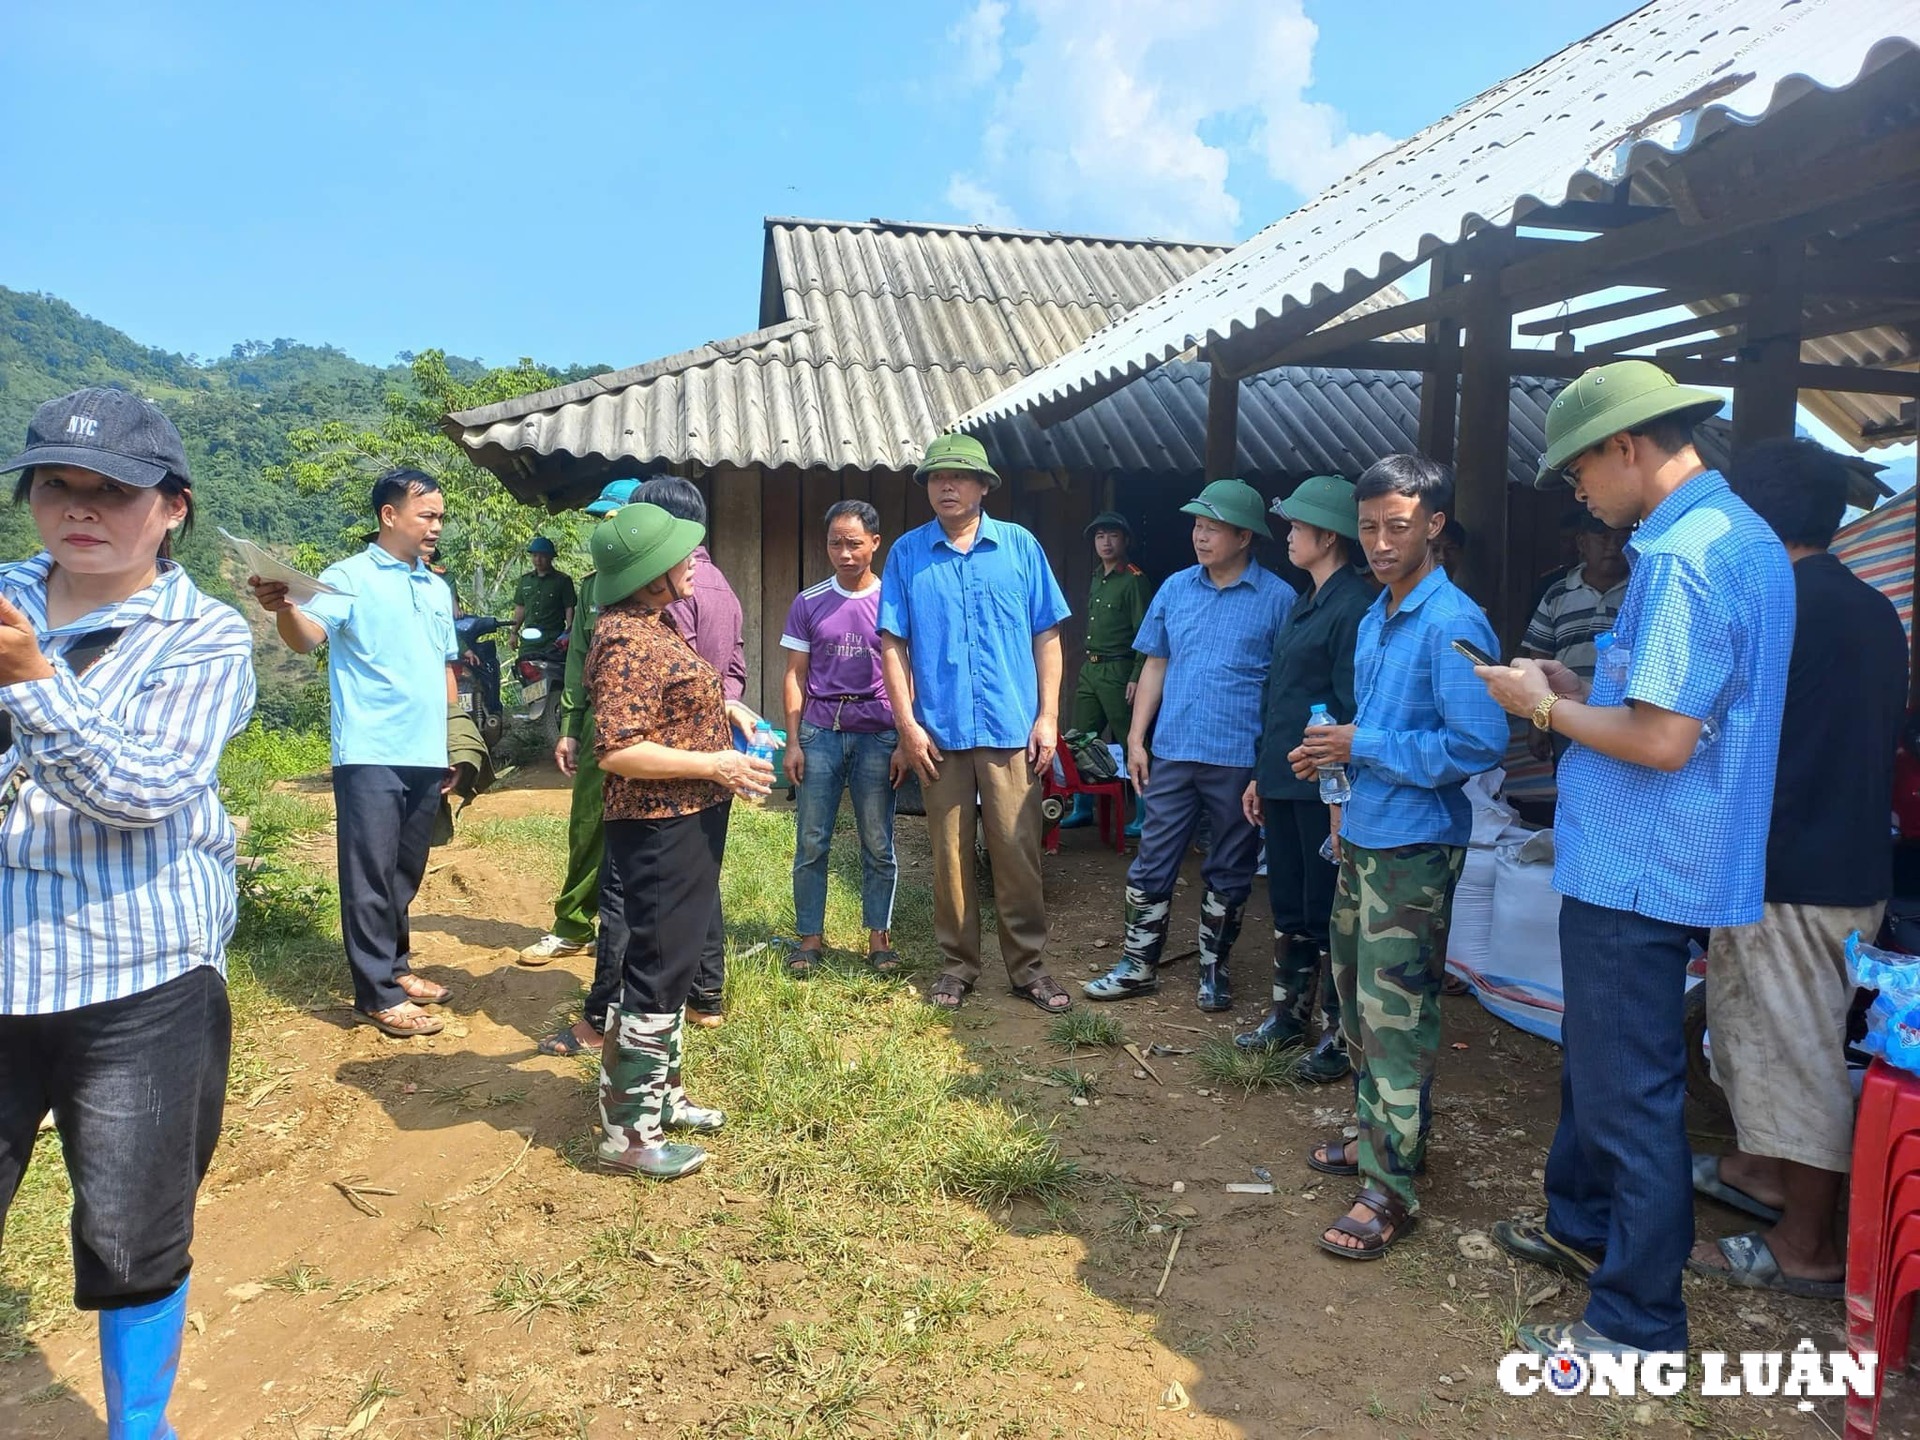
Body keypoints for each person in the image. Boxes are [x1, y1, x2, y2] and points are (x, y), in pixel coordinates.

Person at [1478, 360, 1793, 1360]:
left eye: (1578, 471)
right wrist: (1578, 683)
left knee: (1632, 1090)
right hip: (1663, 851)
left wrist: (1535, 705)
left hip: (1639, 861)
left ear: (1628, 447)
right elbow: (1677, 706)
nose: (1576, 492)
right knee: (1605, 1065)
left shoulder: (1684, 557)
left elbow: (1661, 741)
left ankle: (1638, 1321)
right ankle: (1581, 1228)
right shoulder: (1733, 535)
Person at [0, 388, 256, 1438]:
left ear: (173, 508)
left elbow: (145, 789)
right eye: (58, 483)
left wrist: (28, 685)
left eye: (115, 490)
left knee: (132, 1225)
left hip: (140, 976)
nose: (82, 507)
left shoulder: (206, 637)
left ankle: (138, 1426)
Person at [1687, 437, 1905, 1298]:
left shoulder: (1776, 604)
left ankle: (1807, 1246)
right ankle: (1763, 1173)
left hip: (1791, 869)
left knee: (1796, 1053)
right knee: (1768, 1037)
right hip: (1851, 861)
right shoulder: (1870, 606)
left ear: (1748, 515)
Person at [1289, 455, 1507, 1260]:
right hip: (1370, 833)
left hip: (1418, 846)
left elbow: (1478, 745)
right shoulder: (1382, 613)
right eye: (1369, 527)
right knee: (1354, 1003)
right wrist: (1334, 769)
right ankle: (1374, 1133)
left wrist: (1363, 743)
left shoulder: (1453, 621)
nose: (1380, 543)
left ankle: (1391, 1187)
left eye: (1398, 528)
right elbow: (1374, 732)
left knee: (1396, 1016)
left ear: (1435, 526)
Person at [585, 503, 773, 1180]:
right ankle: (628, 1136)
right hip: (658, 821)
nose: (694, 560)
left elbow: (668, 700)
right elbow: (619, 749)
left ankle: (660, 1096)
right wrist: (715, 764)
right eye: (681, 554)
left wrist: (725, 706)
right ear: (648, 574)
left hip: (687, 815)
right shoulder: (628, 641)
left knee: (677, 956)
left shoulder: (655, 625)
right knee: (659, 967)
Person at [251, 468, 461, 1038]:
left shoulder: (436, 586)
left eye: (440, 516)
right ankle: (376, 993)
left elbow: (446, 667)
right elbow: (306, 638)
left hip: (424, 751)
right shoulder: (347, 578)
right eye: (426, 515)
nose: (436, 526)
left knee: (404, 868)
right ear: (389, 516)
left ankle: (395, 967)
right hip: (369, 749)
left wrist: (453, 743)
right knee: (369, 872)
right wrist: (282, 608)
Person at [878, 433, 1074, 1014]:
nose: (946, 486)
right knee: (949, 854)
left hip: (1012, 728)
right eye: (937, 478)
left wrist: (1048, 716)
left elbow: (1048, 634)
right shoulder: (908, 555)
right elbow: (893, 646)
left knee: (1017, 850)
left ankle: (1028, 968)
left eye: (959, 477)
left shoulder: (1019, 547)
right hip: (939, 732)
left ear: (985, 486)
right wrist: (907, 727)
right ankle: (958, 966)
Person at [1084, 479, 1295, 1012]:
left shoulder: (1278, 599)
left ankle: (1213, 970)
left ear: (1245, 536)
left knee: (1230, 866)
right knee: (1153, 857)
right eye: (1197, 526)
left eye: (1213, 527)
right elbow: (1156, 662)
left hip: (1238, 759)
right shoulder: (1175, 588)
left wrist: (1265, 764)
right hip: (1174, 750)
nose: (1200, 536)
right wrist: (1136, 738)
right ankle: (1137, 965)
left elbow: (1284, 690)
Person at [1236, 476, 1371, 1081]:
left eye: (1296, 527)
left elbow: (1348, 708)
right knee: (1290, 903)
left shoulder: (1353, 607)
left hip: (1325, 787)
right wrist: (1260, 776)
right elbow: (1281, 697)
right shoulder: (1306, 597)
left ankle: (1339, 1036)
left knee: (1329, 910)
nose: (1288, 535)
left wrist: (1339, 795)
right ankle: (1288, 1015)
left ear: (1328, 535)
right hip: (1284, 780)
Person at [524, 481, 640, 1066]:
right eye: (596, 518)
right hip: (598, 725)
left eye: (609, 516)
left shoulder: (656, 578)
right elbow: (577, 661)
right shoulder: (593, 586)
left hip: (648, 729)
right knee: (588, 824)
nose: (599, 527)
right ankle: (572, 922)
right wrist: (570, 724)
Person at [636, 475, 750, 1025]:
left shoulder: (664, 589)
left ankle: (664, 1000)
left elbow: (668, 670)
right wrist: (722, 707)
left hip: (667, 755)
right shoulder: (721, 582)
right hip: (714, 750)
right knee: (702, 871)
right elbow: (734, 669)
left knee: (659, 882)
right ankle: (707, 996)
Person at [782, 500, 901, 975]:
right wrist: (793, 741)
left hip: (879, 736)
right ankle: (809, 938)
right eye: (836, 542)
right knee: (812, 840)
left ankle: (879, 940)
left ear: (875, 542)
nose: (845, 553)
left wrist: (907, 739)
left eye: (854, 543)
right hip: (821, 734)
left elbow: (908, 673)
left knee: (878, 841)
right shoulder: (808, 602)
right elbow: (794, 675)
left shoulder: (894, 599)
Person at [1063, 510, 1151, 837]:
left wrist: (1138, 674)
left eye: (1112, 536)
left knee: (1132, 741)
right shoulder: (1096, 576)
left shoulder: (1134, 580)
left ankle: (1144, 814)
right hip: (1091, 667)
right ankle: (1081, 808)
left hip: (1119, 668)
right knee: (1079, 738)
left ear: (1125, 540)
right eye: (1100, 537)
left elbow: (1146, 631)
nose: (1106, 542)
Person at [1519, 512, 1630, 762]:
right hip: (1567, 711)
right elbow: (1539, 659)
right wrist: (1537, 724)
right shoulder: (1557, 594)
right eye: (1603, 538)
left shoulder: (1641, 592)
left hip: (1625, 716)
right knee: (1569, 783)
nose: (1613, 547)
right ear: (1582, 543)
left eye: (1621, 538)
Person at [510, 536, 575, 655]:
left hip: (553, 637)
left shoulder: (562, 580)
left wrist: (569, 632)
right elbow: (520, 608)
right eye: (534, 556)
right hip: (530, 637)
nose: (538, 560)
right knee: (524, 667)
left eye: (542, 556)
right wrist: (514, 633)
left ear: (550, 557)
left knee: (553, 670)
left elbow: (569, 608)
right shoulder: (525, 581)